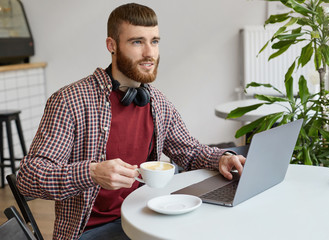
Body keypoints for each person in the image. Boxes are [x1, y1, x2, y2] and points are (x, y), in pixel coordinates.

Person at [17, 3, 246, 240]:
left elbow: (188, 151)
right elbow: (29, 177)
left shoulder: (156, 100)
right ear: (112, 46)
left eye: (154, 41)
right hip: (91, 231)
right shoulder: (70, 101)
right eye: (137, 42)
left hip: (145, 216)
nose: (150, 53)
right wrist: (92, 173)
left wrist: (222, 158)